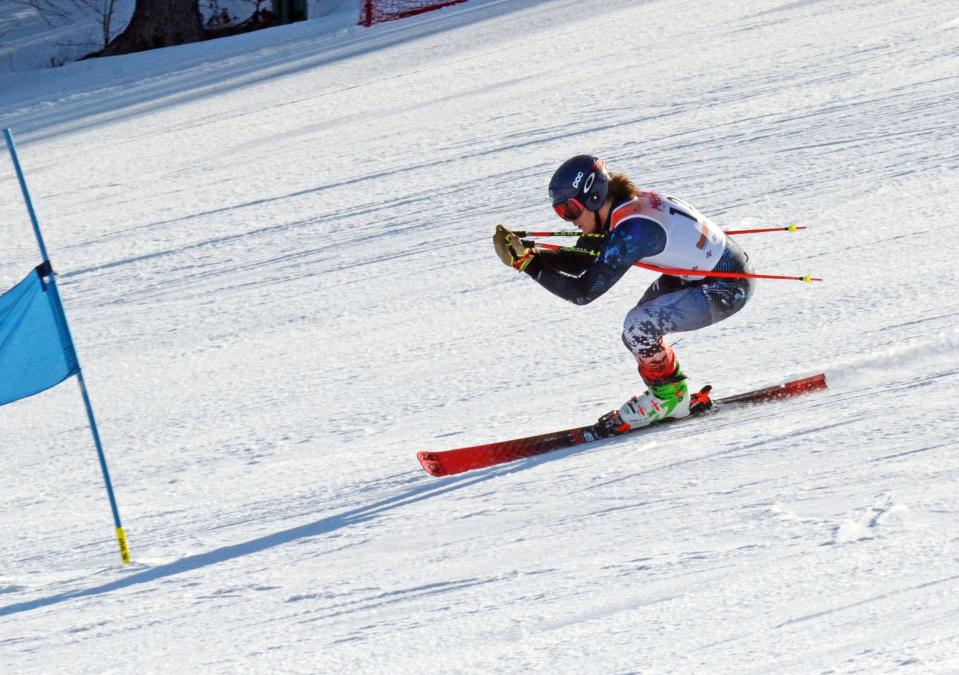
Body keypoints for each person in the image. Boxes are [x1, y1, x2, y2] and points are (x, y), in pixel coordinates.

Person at [493, 155, 754, 433]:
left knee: (638, 328)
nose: (568, 220)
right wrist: (533, 254)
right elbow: (585, 259)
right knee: (637, 334)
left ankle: (669, 400)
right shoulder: (622, 206)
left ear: (593, 197)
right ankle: (673, 394)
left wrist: (528, 264)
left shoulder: (633, 230)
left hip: (726, 288)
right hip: (702, 274)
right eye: (561, 212)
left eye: (569, 210)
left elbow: (583, 292)